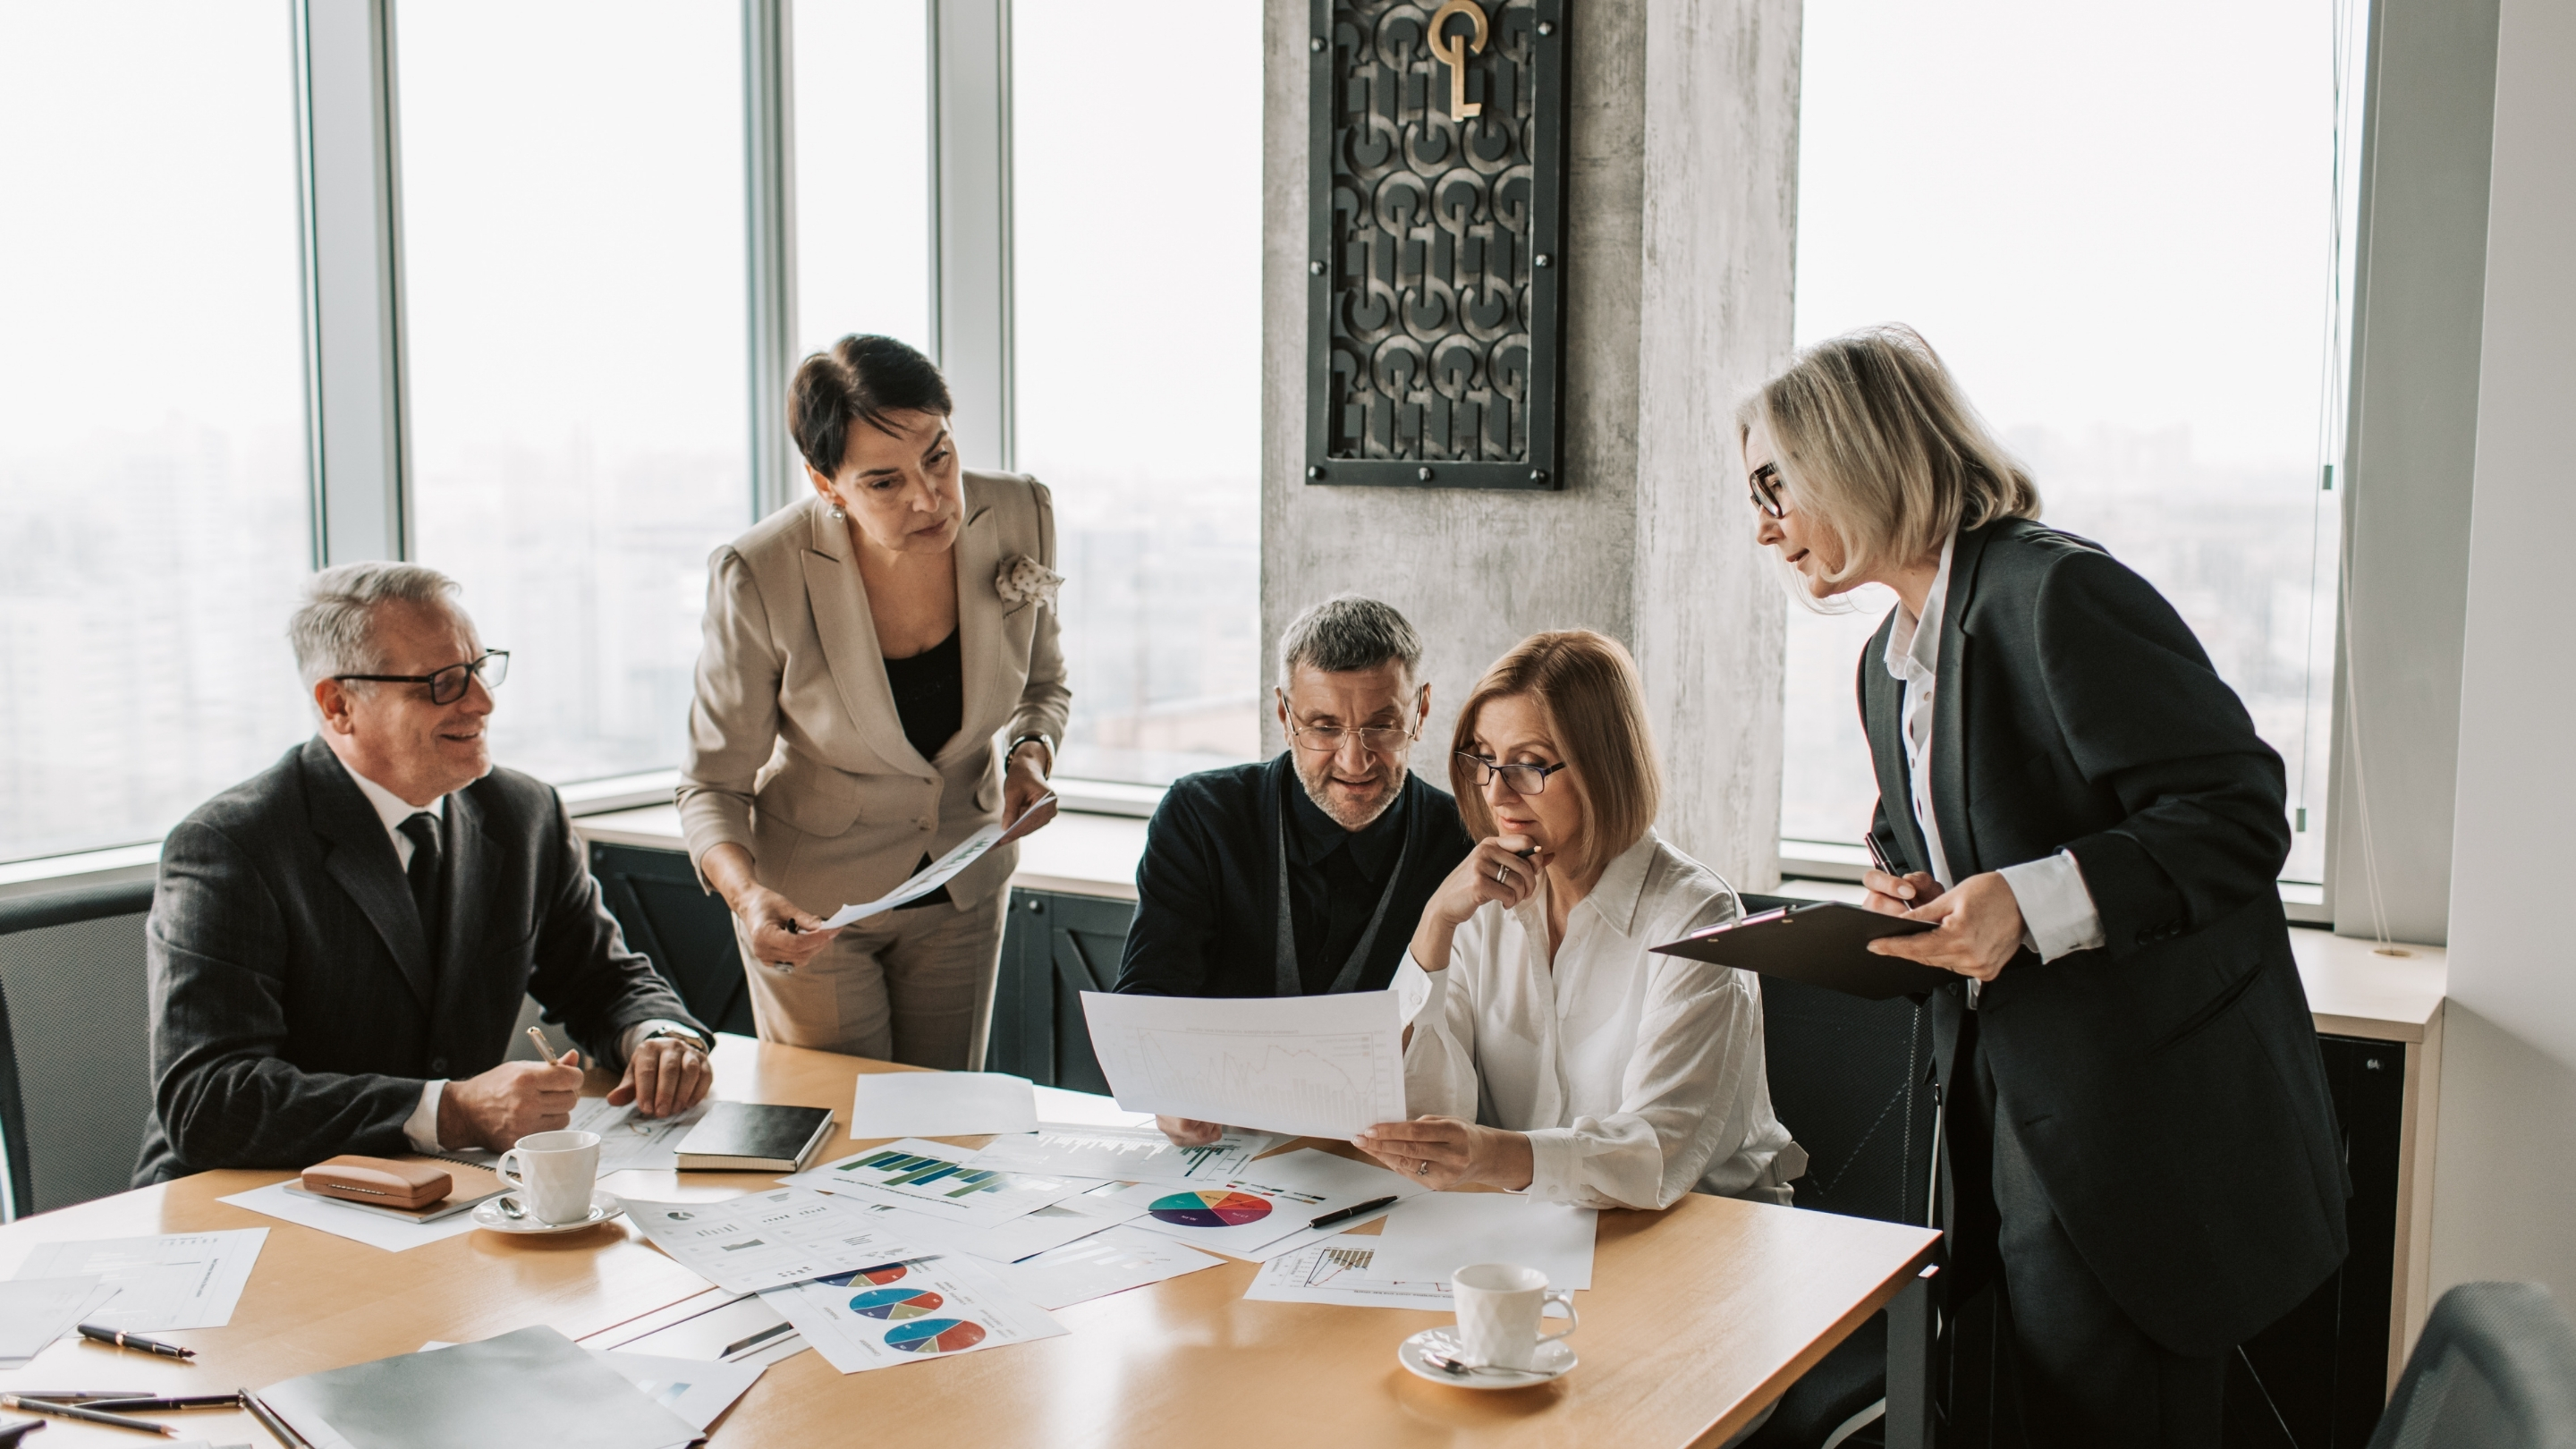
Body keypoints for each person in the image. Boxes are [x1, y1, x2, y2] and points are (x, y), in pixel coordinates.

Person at [1742, 326, 2345, 1445]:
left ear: (1854, 454)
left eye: (1775, 484)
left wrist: (2028, 902)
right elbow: (1928, 825)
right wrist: (1903, 888)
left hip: (2139, 1139)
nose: (1764, 522)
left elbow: (2237, 811)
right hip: (2003, 1117)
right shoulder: (1888, 662)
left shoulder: (2055, 594)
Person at [136, 564, 712, 1184]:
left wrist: (657, 1035)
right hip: (251, 1199)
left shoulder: (522, 813)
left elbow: (601, 979)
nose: (482, 702)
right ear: (339, 706)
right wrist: (449, 1112)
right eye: (441, 683)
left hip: (445, 1194)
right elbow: (208, 1099)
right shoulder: (232, 845)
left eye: (479, 669)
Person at [680, 335, 1069, 1068]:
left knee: (947, 1134)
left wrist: (1029, 753)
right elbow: (711, 783)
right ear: (827, 485)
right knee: (840, 1135)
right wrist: (747, 897)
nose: (928, 498)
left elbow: (1044, 684)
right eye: (883, 482)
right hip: (814, 910)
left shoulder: (1021, 512)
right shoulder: (759, 572)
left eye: (938, 456)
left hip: (963, 886)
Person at [1353, 631, 1804, 1210]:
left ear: (1605, 765)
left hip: (1698, 1234)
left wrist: (1493, 1155)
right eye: (1484, 760)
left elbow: (1656, 1149)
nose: (1498, 792)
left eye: (1530, 765)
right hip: (1533, 1225)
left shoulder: (1698, 917)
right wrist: (1434, 925)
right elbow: (1418, 1114)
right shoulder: (1479, 904)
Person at [1115, 596, 1475, 1148]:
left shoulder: (1461, 841)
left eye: (1383, 727)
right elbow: (1148, 998)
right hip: (1227, 1152)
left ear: (1420, 713)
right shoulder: (1200, 816)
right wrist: (1167, 1090)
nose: (1354, 762)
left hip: (1388, 1163)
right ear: (1284, 716)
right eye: (1324, 728)